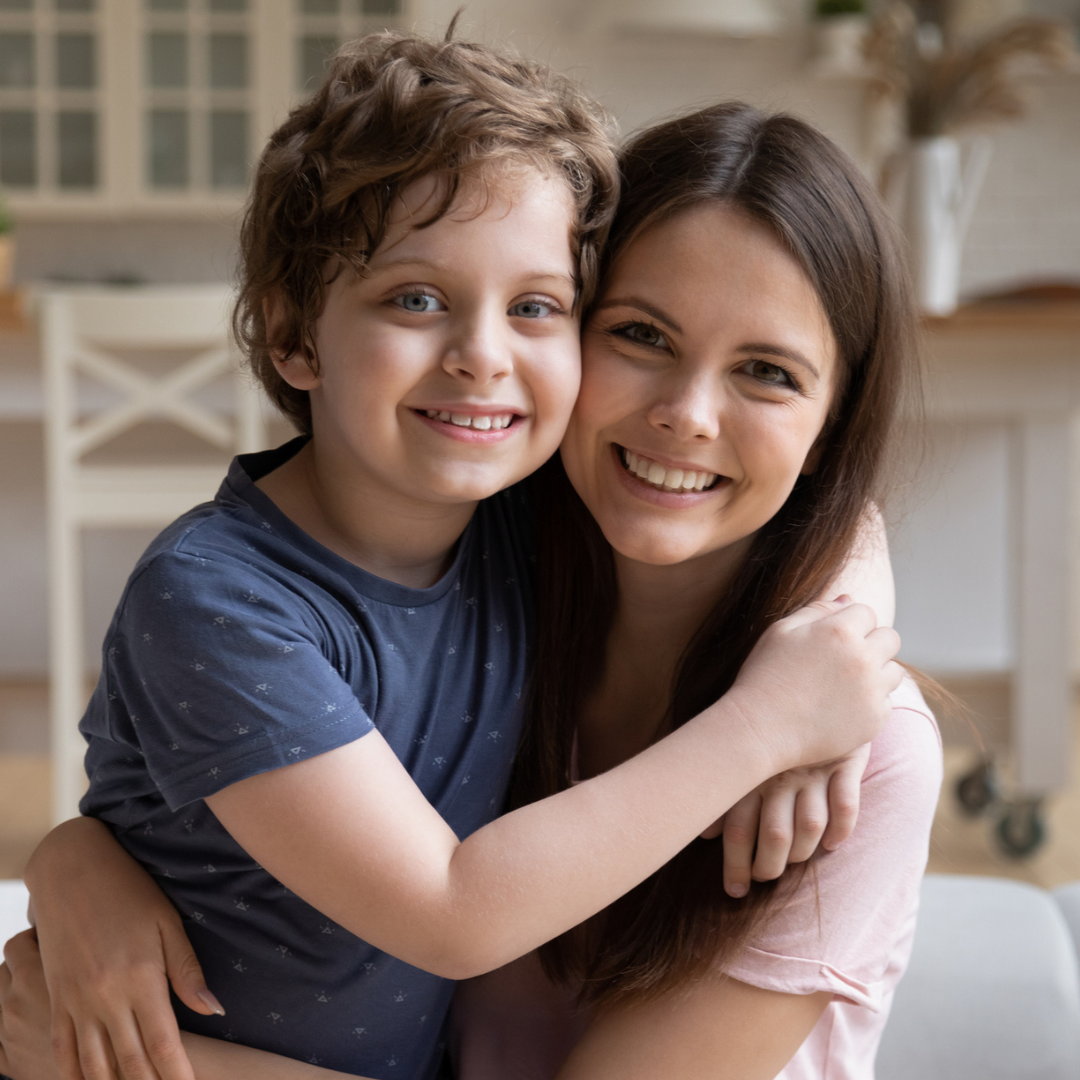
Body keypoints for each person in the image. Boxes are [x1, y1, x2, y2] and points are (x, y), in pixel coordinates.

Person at [0, 33, 901, 1080]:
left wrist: (840, 648)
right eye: (417, 299)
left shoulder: (504, 521)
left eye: (536, 308)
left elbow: (826, 495)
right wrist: (772, 722)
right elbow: (452, 911)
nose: (484, 356)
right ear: (294, 338)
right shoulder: (221, 601)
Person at [450, 102, 943, 1080]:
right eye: (641, 334)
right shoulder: (463, 612)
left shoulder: (866, 755)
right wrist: (86, 868)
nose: (685, 415)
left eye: (766, 372)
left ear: (830, 433)